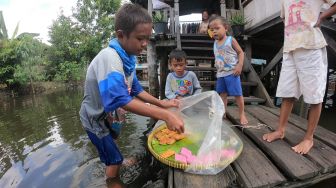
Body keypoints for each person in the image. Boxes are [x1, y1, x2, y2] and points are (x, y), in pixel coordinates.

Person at [79, 4, 184, 188]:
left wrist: (162, 104)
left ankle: (116, 159)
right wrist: (165, 115)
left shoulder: (128, 59)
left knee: (112, 146)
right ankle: (112, 180)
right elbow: (119, 99)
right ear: (121, 35)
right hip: (95, 120)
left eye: (147, 38)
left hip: (108, 117)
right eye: (140, 38)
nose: (145, 44)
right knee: (113, 161)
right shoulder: (110, 58)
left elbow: (136, 90)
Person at [263, 0, 336, 154]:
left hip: (311, 47)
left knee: (314, 96)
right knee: (287, 93)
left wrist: (322, 17)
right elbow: (285, 19)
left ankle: (309, 138)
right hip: (290, 49)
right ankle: (280, 130)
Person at [208, 15, 248, 125]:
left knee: (237, 94)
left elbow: (241, 53)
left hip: (232, 73)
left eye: (217, 28)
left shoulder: (231, 40)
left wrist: (239, 65)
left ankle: (242, 114)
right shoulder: (215, 44)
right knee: (222, 95)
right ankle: (223, 112)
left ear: (225, 28)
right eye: (212, 30)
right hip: (221, 74)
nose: (214, 31)